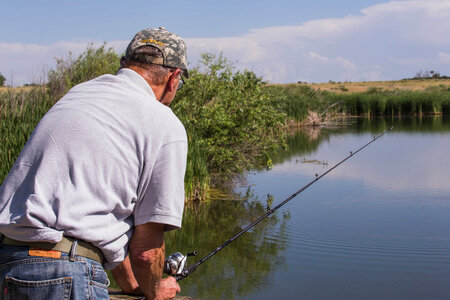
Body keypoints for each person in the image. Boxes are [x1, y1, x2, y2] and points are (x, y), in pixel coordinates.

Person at [0, 27, 189, 300]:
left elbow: (97, 220)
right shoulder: (164, 122)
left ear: (124, 64)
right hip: (65, 273)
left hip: (8, 261)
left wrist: (131, 286)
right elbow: (146, 251)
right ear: (173, 78)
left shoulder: (80, 94)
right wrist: (154, 290)